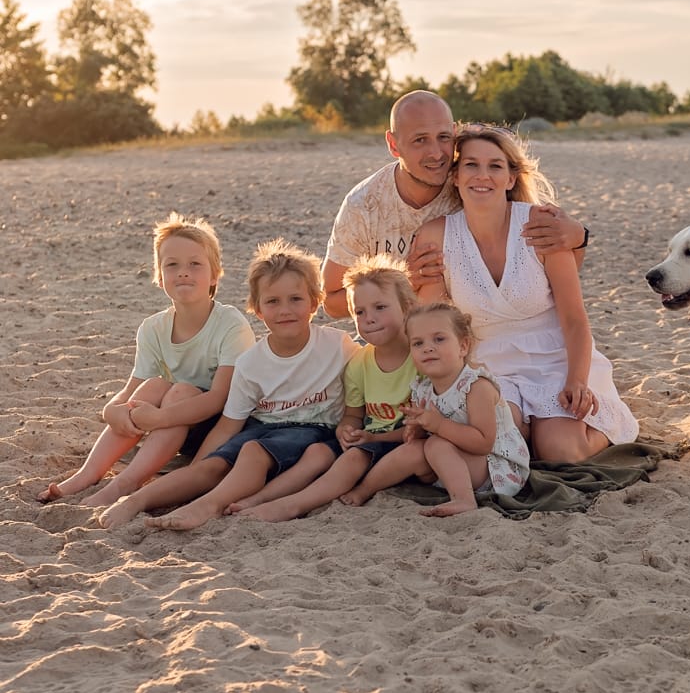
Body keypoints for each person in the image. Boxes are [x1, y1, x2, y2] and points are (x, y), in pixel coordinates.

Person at [98, 240, 358, 530]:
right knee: (212, 466)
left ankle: (207, 505)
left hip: (314, 432)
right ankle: (137, 500)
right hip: (260, 428)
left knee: (253, 453)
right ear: (257, 309)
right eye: (273, 301)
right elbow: (228, 425)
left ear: (314, 302)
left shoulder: (338, 346)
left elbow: (369, 376)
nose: (285, 310)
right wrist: (199, 464)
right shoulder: (250, 363)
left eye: (295, 299)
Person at [415, 125, 638, 463]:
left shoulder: (541, 223)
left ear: (510, 178)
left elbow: (575, 318)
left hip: (555, 355)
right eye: (471, 165)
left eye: (495, 166)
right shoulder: (435, 235)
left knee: (559, 452)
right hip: (485, 361)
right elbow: (433, 323)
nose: (483, 176)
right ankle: (532, 426)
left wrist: (577, 380)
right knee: (503, 441)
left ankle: (606, 426)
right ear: (456, 177)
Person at [37, 212, 255, 507]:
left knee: (180, 390)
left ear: (215, 274)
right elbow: (133, 387)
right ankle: (89, 474)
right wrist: (111, 409)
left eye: (195, 264)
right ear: (159, 275)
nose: (184, 272)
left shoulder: (230, 323)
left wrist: (161, 417)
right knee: (153, 386)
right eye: (172, 265)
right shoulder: (153, 327)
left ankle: (126, 482)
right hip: (171, 426)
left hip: (219, 427)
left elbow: (219, 398)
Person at [321, 90, 588, 318]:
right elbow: (330, 301)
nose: (436, 153)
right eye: (420, 140)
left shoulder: (473, 185)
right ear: (393, 144)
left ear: (453, 133)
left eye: (443, 138)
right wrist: (401, 282)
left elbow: (539, 265)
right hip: (391, 338)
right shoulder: (363, 205)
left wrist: (579, 236)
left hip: (464, 336)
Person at [230, 256, 417, 522]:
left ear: (407, 306)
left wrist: (374, 439)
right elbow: (353, 414)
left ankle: (321, 499)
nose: (369, 319)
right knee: (350, 458)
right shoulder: (359, 363)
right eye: (360, 312)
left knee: (410, 450)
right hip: (371, 445)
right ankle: (269, 501)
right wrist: (346, 429)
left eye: (380, 307)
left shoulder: (421, 357)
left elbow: (422, 427)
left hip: (410, 445)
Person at [341, 302, 530, 517]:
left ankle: (464, 500)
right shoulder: (423, 389)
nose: (428, 348)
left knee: (435, 444)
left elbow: (483, 443)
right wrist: (402, 433)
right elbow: (417, 435)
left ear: (463, 346)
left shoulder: (476, 387)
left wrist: (438, 425)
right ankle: (364, 490)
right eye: (418, 343)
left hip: (496, 470)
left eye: (439, 339)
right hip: (451, 460)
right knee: (415, 448)